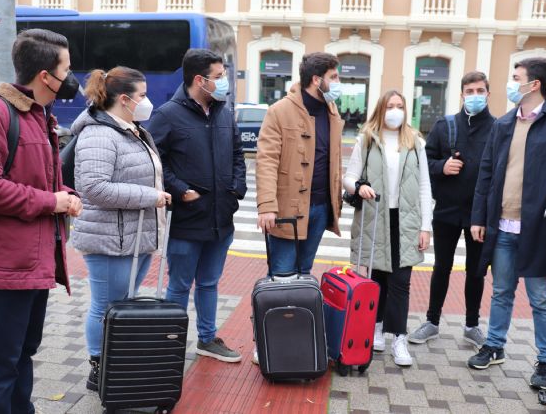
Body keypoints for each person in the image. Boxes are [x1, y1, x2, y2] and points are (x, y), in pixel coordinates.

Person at [0, 29, 82, 413]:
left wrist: (65, 196)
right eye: (66, 68)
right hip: (2, 267)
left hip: (32, 264)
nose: (71, 77)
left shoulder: (40, 115)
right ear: (46, 75)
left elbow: (40, 178)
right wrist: (50, 202)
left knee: (22, 355)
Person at [467, 57, 546, 390]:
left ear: (534, 84)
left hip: (540, 228)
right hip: (503, 225)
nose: (511, 83)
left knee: (541, 298)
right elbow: (486, 174)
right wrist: (479, 217)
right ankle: (494, 346)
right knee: (501, 292)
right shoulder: (503, 124)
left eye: (515, 77)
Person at [70, 66, 172, 391]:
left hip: (133, 236)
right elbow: (94, 187)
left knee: (122, 304)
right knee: (106, 305)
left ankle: (114, 363)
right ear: (125, 99)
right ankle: (98, 367)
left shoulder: (130, 128)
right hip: (109, 239)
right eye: (142, 95)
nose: (147, 101)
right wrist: (150, 196)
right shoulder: (99, 133)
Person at [148, 49, 246, 363]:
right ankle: (168, 342)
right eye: (218, 77)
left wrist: (237, 190)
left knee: (208, 282)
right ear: (199, 80)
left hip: (220, 218)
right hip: (187, 220)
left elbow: (237, 155)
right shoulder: (167, 114)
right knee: (179, 285)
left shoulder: (223, 111)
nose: (224, 82)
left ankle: (207, 338)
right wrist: (179, 190)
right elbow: (154, 161)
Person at [254, 52, 344, 364]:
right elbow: (265, 160)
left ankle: (297, 340)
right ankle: (267, 341)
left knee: (304, 275)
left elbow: (333, 160)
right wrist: (266, 205)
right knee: (281, 276)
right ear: (316, 80)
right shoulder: (280, 111)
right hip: (286, 209)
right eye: (334, 77)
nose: (338, 83)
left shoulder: (331, 110)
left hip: (319, 208)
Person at [343, 90, 432, 367]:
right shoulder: (367, 140)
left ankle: (400, 338)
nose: (396, 111)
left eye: (400, 106)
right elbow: (349, 178)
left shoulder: (415, 142)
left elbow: (424, 185)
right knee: (378, 279)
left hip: (404, 219)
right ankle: (377, 327)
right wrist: (360, 187)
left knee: (401, 282)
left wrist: (425, 226)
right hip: (376, 216)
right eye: (391, 106)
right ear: (381, 109)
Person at [408, 71, 495, 349]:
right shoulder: (445, 126)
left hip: (479, 215)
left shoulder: (498, 128)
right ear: (461, 94)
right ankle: (432, 321)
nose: (474, 96)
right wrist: (442, 167)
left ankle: (472, 325)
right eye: (469, 91)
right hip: (446, 211)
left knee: (476, 271)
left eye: (480, 91)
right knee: (441, 267)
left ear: (488, 94)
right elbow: (425, 163)